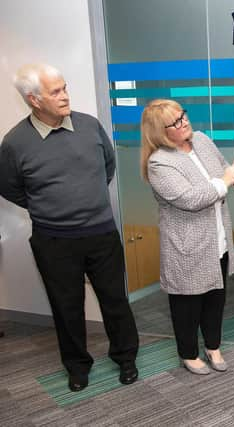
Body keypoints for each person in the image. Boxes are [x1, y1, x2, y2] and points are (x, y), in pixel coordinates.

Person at [0, 63, 139, 391]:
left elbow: (108, 165)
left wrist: (86, 200)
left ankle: (126, 357)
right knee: (67, 307)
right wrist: (49, 208)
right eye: (56, 91)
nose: (65, 96)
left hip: (101, 233)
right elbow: (9, 186)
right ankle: (77, 366)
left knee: (115, 299)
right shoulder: (15, 143)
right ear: (34, 100)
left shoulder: (89, 126)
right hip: (54, 241)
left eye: (64, 88)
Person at [140, 99, 234, 374]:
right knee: (187, 304)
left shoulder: (202, 140)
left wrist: (232, 175)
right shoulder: (159, 163)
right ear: (159, 132)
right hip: (187, 246)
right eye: (174, 122)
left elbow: (223, 170)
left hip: (217, 238)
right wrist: (224, 181)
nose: (183, 122)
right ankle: (188, 353)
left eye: (182, 116)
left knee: (215, 300)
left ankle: (213, 347)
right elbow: (191, 199)